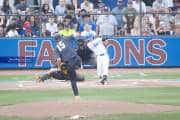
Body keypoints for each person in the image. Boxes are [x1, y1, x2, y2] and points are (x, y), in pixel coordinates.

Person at [37, 34, 82, 98]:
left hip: (69, 63)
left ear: (55, 40)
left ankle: (76, 96)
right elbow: (73, 35)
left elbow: (58, 60)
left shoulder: (56, 49)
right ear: (60, 38)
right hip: (77, 59)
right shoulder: (65, 39)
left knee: (71, 78)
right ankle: (43, 78)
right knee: (67, 71)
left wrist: (59, 68)